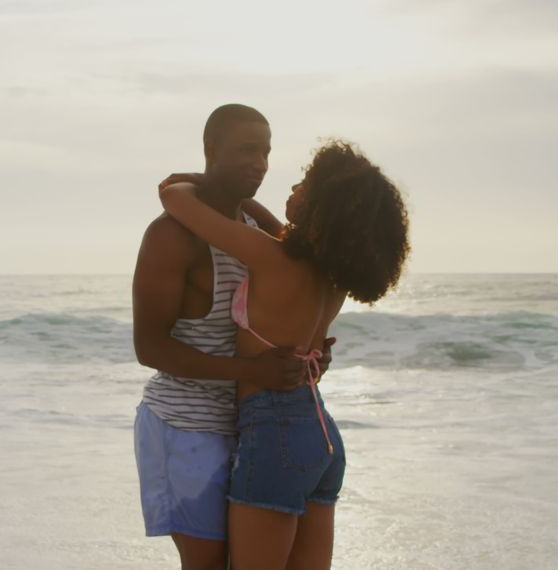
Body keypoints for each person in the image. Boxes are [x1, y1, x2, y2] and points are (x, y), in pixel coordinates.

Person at [157, 139, 410, 570]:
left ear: (322, 209)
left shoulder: (270, 259)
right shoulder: (332, 277)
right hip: (320, 436)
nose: (293, 188)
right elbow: (281, 232)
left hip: (274, 434)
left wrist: (211, 183)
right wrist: (250, 203)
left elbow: (174, 198)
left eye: (305, 185)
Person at [132, 104, 334, 570]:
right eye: (246, 150)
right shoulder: (171, 237)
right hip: (185, 428)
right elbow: (150, 348)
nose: (260, 163)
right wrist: (251, 370)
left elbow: (297, 288)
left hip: (250, 425)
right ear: (210, 149)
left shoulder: (253, 234)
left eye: (265, 152)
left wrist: (310, 357)